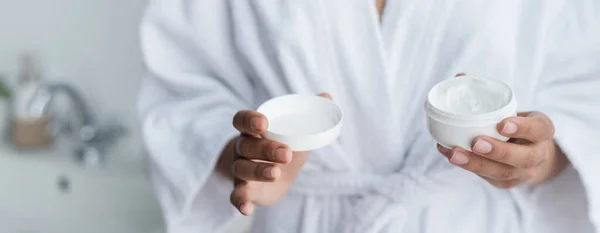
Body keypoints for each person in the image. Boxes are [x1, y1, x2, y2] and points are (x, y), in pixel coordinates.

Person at [138, 0, 600, 232]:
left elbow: (584, 84)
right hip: (306, 218)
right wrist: (250, 156)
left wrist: (541, 158)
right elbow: (182, 85)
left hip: (470, 217)